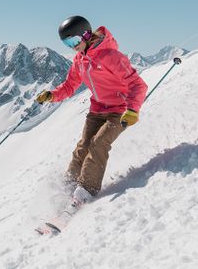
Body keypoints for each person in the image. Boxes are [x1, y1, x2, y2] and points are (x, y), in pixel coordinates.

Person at [36, 15, 148, 204]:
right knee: (83, 147)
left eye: (74, 40)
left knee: (98, 144)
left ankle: (85, 191)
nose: (72, 46)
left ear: (86, 34)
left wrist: (133, 110)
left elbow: (138, 84)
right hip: (97, 109)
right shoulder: (80, 60)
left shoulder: (111, 56)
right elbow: (69, 85)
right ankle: (69, 186)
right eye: (67, 43)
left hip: (120, 110)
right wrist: (52, 95)